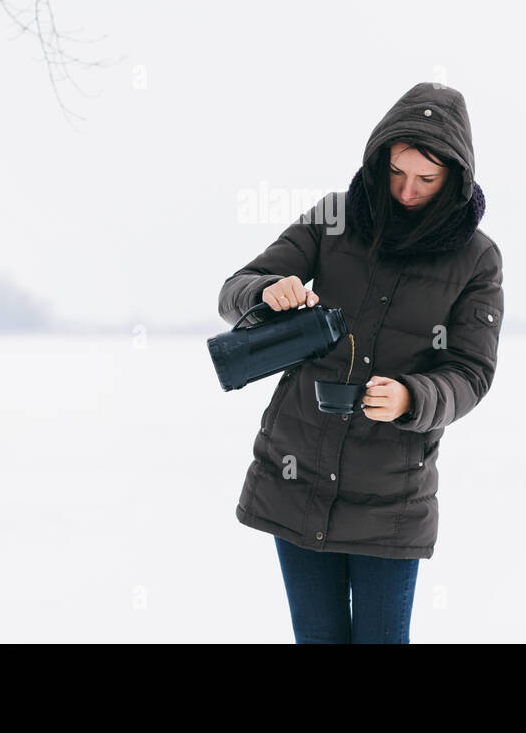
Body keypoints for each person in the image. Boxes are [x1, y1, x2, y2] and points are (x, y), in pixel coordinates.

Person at [216, 82, 504, 643]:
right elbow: (234, 290)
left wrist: (412, 398)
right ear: (380, 159)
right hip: (296, 474)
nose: (407, 190)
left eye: (426, 179)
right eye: (397, 173)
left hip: (391, 494)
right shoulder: (334, 218)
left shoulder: (477, 258)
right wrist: (268, 291)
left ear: (456, 177)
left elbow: (473, 371)